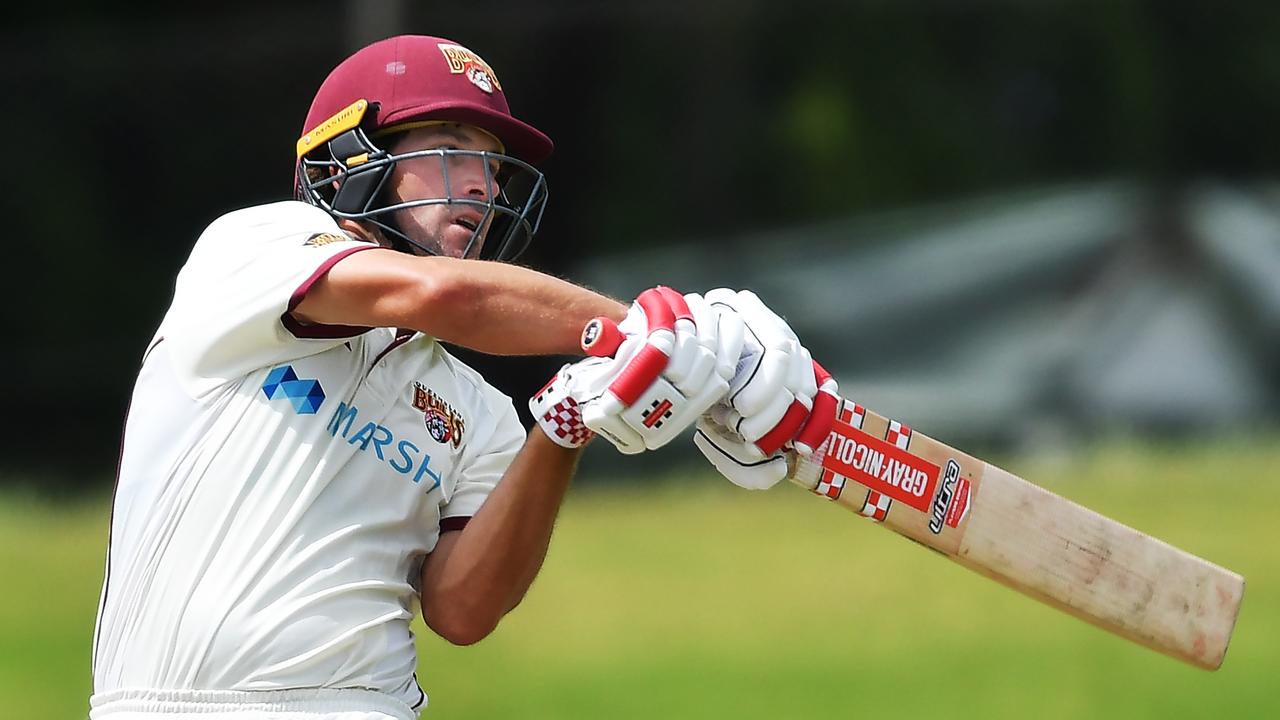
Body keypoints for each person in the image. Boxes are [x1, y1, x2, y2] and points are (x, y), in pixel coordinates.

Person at [89, 34, 834, 720]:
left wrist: (562, 429)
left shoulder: (473, 409)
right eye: (449, 147)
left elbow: (464, 609)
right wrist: (652, 335)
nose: (482, 185)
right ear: (346, 157)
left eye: (490, 164)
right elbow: (443, 295)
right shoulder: (251, 250)